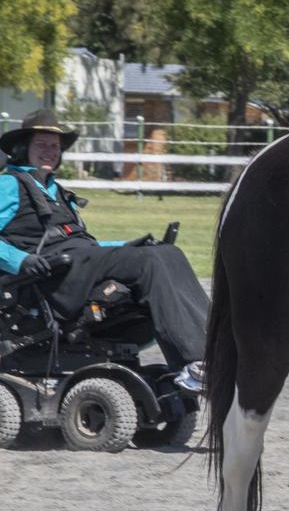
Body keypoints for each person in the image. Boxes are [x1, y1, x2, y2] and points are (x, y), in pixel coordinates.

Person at [0, 110, 208, 393]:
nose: (49, 151)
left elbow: (88, 246)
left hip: (80, 263)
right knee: (149, 263)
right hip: (51, 277)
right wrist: (20, 260)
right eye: (42, 145)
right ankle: (194, 362)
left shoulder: (57, 191)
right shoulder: (9, 184)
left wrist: (129, 245)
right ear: (23, 149)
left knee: (166, 252)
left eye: (55, 146)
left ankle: (213, 353)